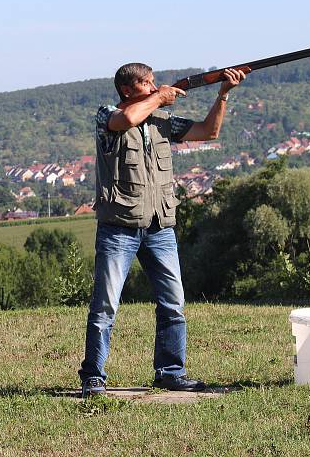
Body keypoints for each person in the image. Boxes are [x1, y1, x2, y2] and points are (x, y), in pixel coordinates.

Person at [78, 62, 246, 397]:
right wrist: (161, 97)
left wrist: (223, 94)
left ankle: (171, 373)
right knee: (105, 306)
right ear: (127, 89)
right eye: (147, 83)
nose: (155, 87)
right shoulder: (106, 114)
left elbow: (207, 132)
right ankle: (94, 376)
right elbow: (125, 120)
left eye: (155, 82)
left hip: (160, 225)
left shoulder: (161, 121)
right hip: (119, 227)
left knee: (173, 302)